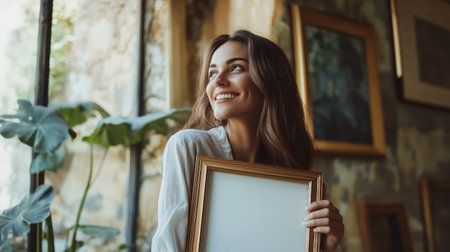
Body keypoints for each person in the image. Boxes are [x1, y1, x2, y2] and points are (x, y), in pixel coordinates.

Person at [151, 30, 344, 252]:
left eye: (236, 68)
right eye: (212, 73)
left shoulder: (293, 175)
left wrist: (327, 246)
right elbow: (168, 247)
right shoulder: (188, 147)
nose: (218, 81)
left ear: (269, 80)